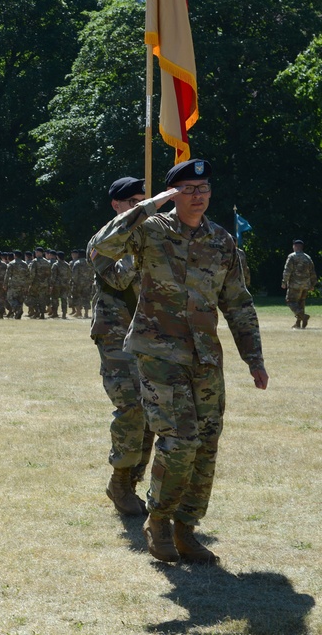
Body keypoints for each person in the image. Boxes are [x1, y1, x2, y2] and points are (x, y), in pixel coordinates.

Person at [89, 159, 268, 564]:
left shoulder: (222, 241)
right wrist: (148, 205)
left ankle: (187, 528)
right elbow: (99, 249)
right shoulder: (150, 231)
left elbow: (238, 303)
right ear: (173, 194)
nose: (198, 195)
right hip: (158, 352)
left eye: (203, 187)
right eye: (188, 188)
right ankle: (159, 520)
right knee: (178, 440)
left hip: (205, 357)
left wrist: (253, 358)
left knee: (205, 443)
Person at [88, 177, 154, 518]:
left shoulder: (151, 236)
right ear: (117, 206)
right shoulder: (104, 241)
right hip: (116, 336)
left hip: (149, 333)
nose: (139, 209)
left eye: (143, 202)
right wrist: (138, 251)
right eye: (133, 203)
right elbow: (116, 277)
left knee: (152, 413)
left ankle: (130, 481)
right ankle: (120, 482)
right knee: (131, 409)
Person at [281, 239, 317, 329]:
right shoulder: (308, 257)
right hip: (306, 285)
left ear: (295, 246)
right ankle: (298, 323)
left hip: (295, 285)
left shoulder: (292, 257)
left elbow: (287, 270)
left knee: (290, 301)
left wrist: (284, 282)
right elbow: (312, 272)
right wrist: (312, 284)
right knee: (301, 303)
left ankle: (303, 316)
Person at [4, 250, 30, 319]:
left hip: (13, 284)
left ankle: (18, 309)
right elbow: (28, 275)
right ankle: (18, 314)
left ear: (15, 255)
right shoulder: (25, 264)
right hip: (23, 284)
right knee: (20, 299)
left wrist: (5, 284)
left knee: (10, 298)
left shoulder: (11, 264)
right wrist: (27, 286)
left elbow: (7, 275)